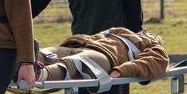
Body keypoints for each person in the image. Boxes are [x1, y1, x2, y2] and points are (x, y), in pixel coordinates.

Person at [37, 27, 168, 84]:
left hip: (105, 56)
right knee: (47, 52)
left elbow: (151, 63)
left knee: (74, 63)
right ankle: (25, 61)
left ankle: (41, 74)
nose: (145, 30)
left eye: (149, 33)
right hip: (82, 45)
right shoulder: (120, 31)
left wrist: (121, 70)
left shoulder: (152, 45)